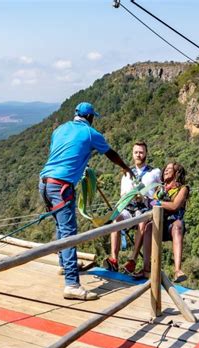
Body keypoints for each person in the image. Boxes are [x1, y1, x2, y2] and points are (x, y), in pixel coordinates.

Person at [39, 102, 133, 300]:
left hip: (44, 183)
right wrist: (125, 167)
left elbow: (62, 154)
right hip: (62, 186)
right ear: (90, 118)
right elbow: (111, 153)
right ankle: (72, 284)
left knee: (60, 225)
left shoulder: (60, 129)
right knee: (69, 233)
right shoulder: (91, 133)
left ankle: (65, 265)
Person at [103, 142, 161, 273]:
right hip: (128, 207)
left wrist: (147, 199)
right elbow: (122, 195)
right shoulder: (126, 173)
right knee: (116, 219)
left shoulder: (155, 172)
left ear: (146, 153)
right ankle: (114, 259)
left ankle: (133, 259)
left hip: (145, 208)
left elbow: (159, 193)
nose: (139, 155)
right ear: (132, 154)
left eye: (141, 152)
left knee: (142, 221)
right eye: (136, 152)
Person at [137, 162, 189, 283]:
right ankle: (146, 268)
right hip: (159, 222)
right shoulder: (159, 189)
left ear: (177, 173)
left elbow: (175, 206)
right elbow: (151, 203)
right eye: (165, 169)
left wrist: (158, 203)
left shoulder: (183, 189)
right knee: (148, 227)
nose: (165, 171)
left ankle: (177, 270)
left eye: (169, 169)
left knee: (178, 226)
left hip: (172, 224)